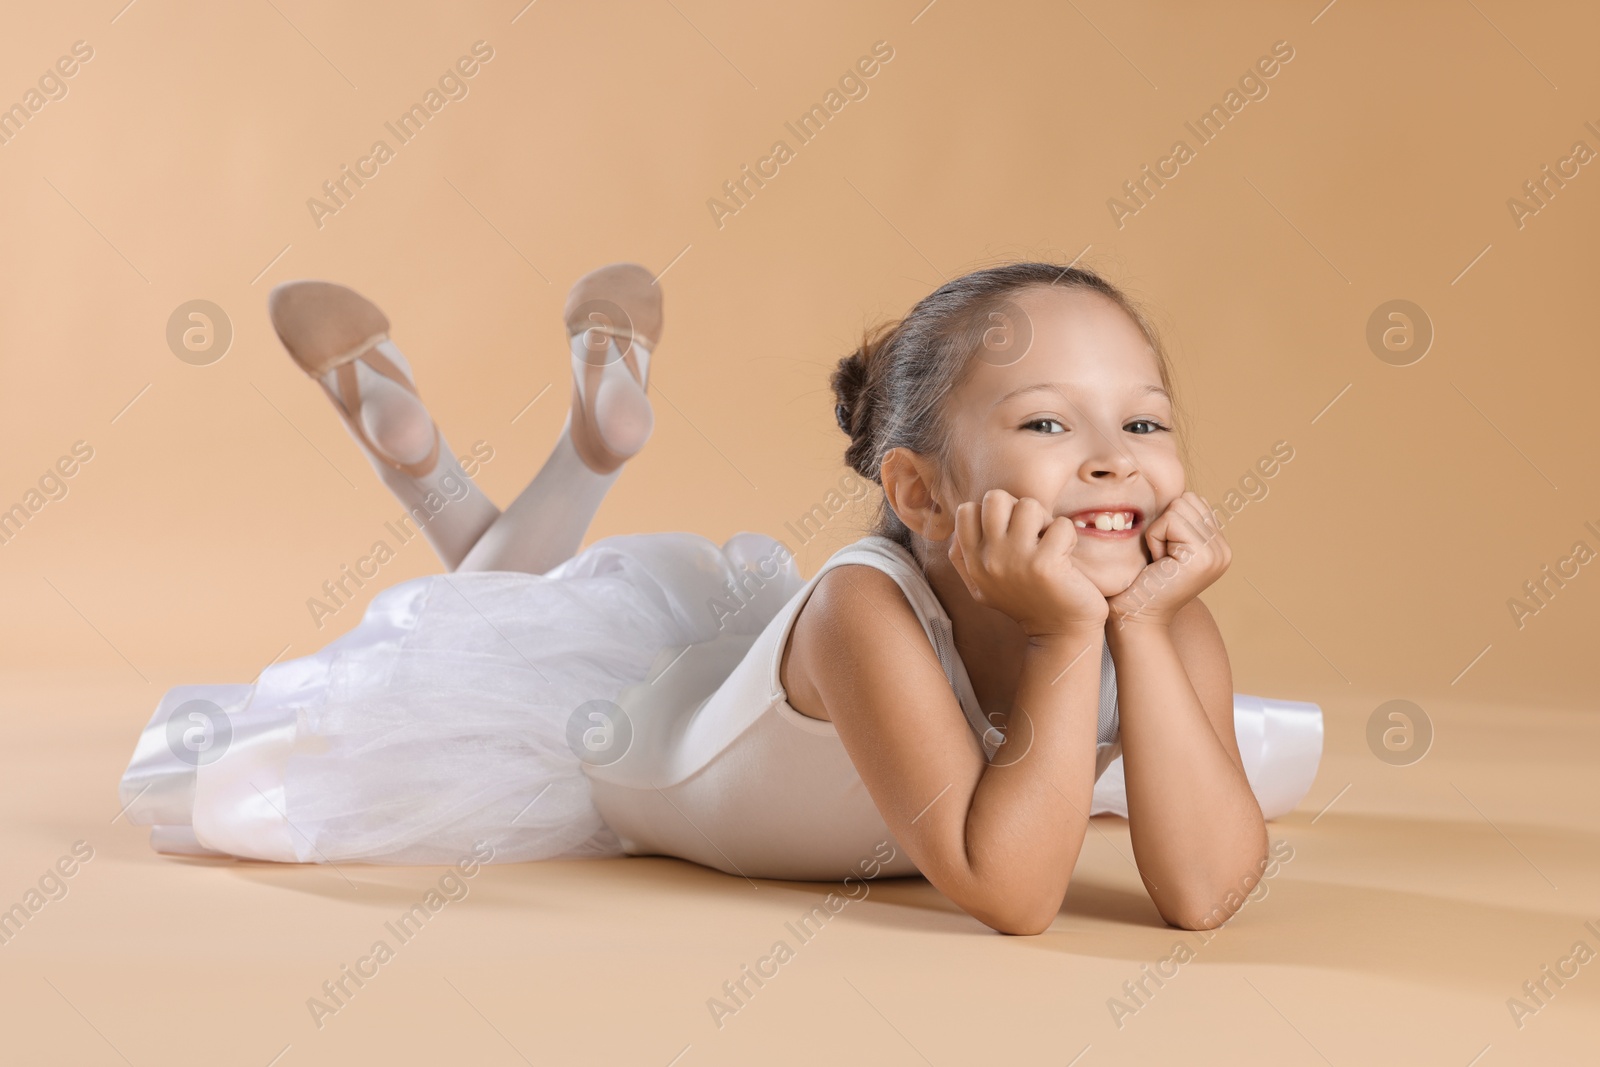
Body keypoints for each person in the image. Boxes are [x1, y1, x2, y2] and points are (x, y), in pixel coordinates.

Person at [119, 260, 1322, 935]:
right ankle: (499, 459)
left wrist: (1147, 630)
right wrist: (1070, 637)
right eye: (1049, 423)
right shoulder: (868, 611)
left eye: (1147, 421)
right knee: (484, 629)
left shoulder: (1164, 616)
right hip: (624, 731)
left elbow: (1206, 889)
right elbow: (1012, 889)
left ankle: (524, 454)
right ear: (920, 491)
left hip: (733, 685)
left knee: (505, 594)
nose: (1117, 458)